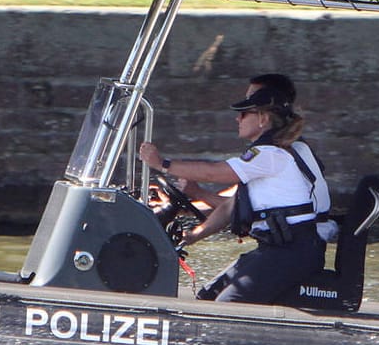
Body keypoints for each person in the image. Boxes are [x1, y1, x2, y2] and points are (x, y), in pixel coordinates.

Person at [138, 85, 326, 304]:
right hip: (275, 249)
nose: (238, 119)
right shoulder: (263, 159)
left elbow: (214, 172)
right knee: (207, 296)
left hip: (292, 253)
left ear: (263, 118)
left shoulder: (269, 155)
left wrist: (162, 164)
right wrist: (192, 236)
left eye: (244, 114)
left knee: (227, 305)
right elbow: (230, 206)